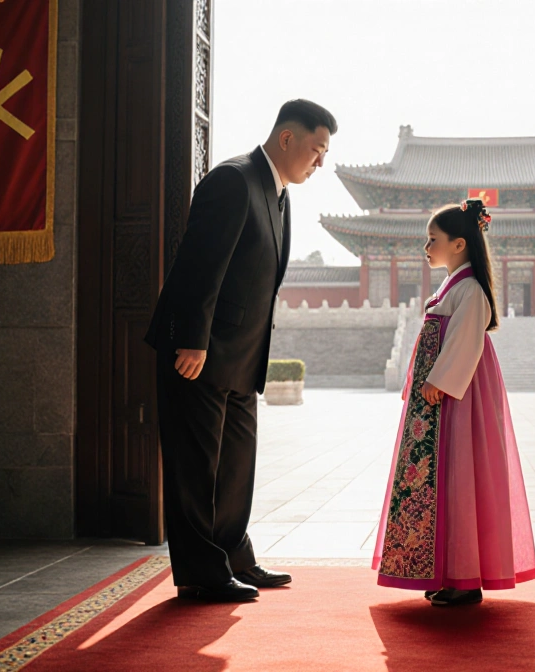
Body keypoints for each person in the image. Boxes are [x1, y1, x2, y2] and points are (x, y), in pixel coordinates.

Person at [144, 100, 337, 602]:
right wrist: (192, 338)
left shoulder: (280, 196)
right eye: (317, 150)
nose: (320, 163)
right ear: (288, 138)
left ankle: (234, 557)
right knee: (195, 467)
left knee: (234, 468)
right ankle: (201, 572)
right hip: (199, 352)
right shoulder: (233, 180)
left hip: (241, 358)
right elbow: (199, 265)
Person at [373, 199, 535, 606]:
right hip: (439, 400)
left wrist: (440, 381)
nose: (426, 247)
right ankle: (445, 571)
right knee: (441, 481)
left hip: (457, 401)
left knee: (461, 477)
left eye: (433, 240)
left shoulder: (470, 290)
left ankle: (465, 578)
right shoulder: (454, 286)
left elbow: (466, 341)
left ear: (459, 244)